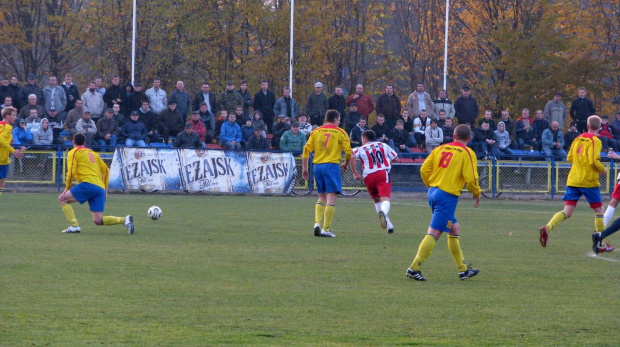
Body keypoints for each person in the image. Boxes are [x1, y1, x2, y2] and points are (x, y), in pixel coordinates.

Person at [406, 124, 481, 281]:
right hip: (447, 196)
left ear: (453, 136)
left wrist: (431, 186)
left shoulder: (440, 149)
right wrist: (476, 193)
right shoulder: (468, 153)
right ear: (469, 138)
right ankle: (414, 268)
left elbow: (423, 170)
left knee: (454, 228)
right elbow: (471, 178)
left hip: (433, 192)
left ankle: (463, 269)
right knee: (435, 232)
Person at [539, 115, 607, 249]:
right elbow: (593, 161)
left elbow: (569, 157)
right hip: (588, 181)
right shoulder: (596, 141)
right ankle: (600, 243)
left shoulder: (577, 139)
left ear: (587, 126)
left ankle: (548, 228)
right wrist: (602, 169)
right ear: (599, 127)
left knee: (567, 211)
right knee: (599, 210)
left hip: (573, 179)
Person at [58, 133, 134, 234]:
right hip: (99, 188)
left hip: (88, 184)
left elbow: (71, 171)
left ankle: (74, 226)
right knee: (98, 220)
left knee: (63, 199)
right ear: (85, 143)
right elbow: (106, 170)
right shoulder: (93, 153)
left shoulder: (73, 152)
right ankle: (125, 220)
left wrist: (66, 188)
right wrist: (105, 188)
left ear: (73, 142)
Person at [302, 109, 352, 237]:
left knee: (321, 196)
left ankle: (317, 223)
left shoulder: (316, 131)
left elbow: (306, 150)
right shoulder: (341, 132)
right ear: (335, 119)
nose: (339, 122)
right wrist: (346, 164)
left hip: (317, 166)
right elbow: (348, 152)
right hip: (331, 166)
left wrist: (304, 169)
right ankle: (326, 228)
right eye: (339, 119)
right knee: (331, 197)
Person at [351, 129, 399, 233]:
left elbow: (352, 155)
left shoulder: (361, 148)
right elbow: (396, 159)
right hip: (382, 173)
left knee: (377, 200)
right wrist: (386, 160)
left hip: (368, 176)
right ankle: (384, 213)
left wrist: (355, 173)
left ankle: (389, 226)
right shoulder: (383, 145)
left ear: (364, 139)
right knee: (385, 200)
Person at [0, 107, 25, 200]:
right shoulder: (8, 127)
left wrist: (10, 141)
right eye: (13, 115)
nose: (15, 117)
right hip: (2, 159)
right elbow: (0, 138)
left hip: (3, 158)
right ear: (7, 116)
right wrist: (13, 150)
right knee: (1, 183)